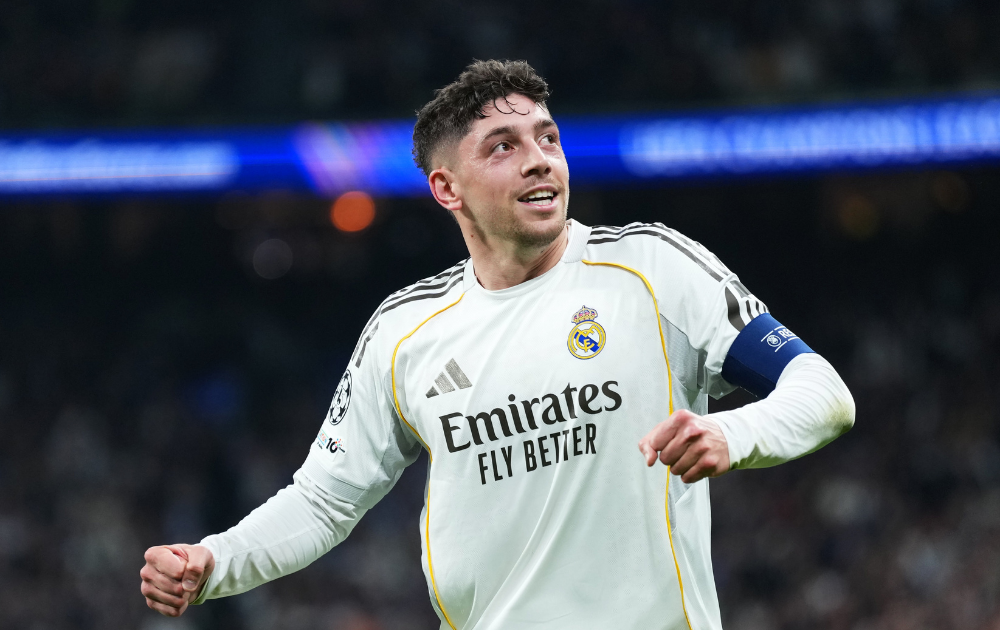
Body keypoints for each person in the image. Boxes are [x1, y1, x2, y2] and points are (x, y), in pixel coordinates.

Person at [140, 60, 855, 629]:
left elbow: (824, 393)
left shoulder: (654, 268)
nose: (540, 160)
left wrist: (734, 432)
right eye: (504, 147)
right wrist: (214, 560)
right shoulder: (405, 332)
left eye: (548, 138)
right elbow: (326, 500)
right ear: (447, 187)